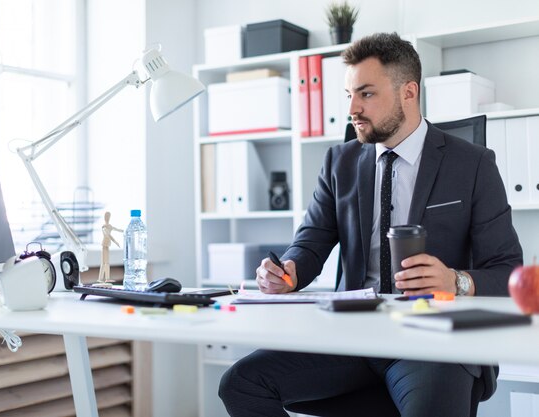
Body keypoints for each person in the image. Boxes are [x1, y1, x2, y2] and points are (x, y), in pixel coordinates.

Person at [219, 32, 522, 417]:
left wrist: (455, 281)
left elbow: (509, 272)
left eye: (366, 94)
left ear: (408, 92)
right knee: (241, 384)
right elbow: (310, 244)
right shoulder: (339, 163)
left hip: (434, 340)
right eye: (349, 94)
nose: (352, 108)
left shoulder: (473, 164)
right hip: (353, 336)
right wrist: (289, 272)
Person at [97, 211, 123, 285]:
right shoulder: (104, 227)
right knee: (103, 262)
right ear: (105, 218)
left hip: (108, 244)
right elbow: (108, 235)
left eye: (108, 217)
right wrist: (116, 241)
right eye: (106, 217)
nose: (108, 218)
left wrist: (123, 231)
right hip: (104, 244)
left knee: (107, 262)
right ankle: (100, 278)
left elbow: (117, 229)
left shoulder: (110, 226)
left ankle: (107, 278)